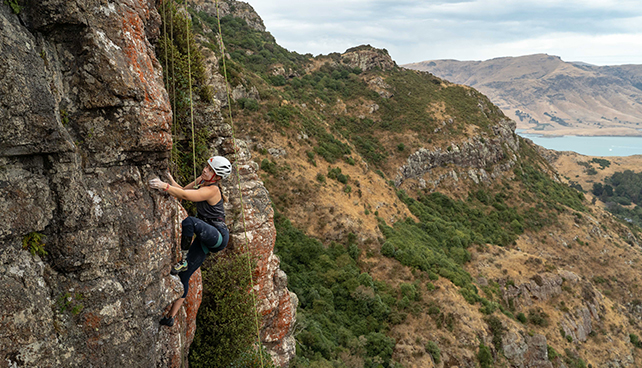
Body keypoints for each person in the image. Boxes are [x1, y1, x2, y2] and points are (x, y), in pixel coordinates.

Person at [149, 156, 232, 327]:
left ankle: (183, 260)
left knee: (189, 222)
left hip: (218, 235)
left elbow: (186, 195)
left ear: (217, 177)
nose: (205, 170)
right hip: (205, 235)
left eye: (210, 170)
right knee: (183, 276)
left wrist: (163, 186)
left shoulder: (213, 190)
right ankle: (170, 317)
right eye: (207, 166)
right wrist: (169, 179)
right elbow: (182, 191)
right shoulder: (202, 180)